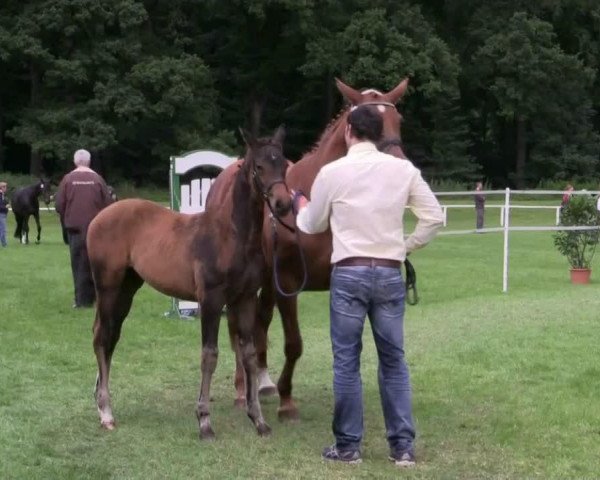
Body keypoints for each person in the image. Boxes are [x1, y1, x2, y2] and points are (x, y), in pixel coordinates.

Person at [292, 105, 444, 467]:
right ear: (379, 135)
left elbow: (311, 225)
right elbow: (434, 216)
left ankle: (348, 446)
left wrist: (300, 204)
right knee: (394, 361)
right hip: (390, 272)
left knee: (346, 362)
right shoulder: (403, 170)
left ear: (348, 133)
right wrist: (404, 246)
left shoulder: (332, 172)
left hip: (348, 272)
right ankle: (402, 447)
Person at [55, 149, 113, 308]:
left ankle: (81, 300)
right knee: (97, 265)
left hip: (75, 230)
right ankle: (98, 299)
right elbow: (108, 204)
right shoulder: (98, 179)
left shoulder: (67, 180)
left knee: (78, 264)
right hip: (97, 231)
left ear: (75, 162)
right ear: (89, 161)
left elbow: (59, 204)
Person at [0, 181, 8, 248]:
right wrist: (5, 207)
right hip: (1, 214)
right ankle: (4, 244)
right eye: (5, 187)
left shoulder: (3, 195)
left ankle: (4, 243)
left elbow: (3, 202)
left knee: (2, 229)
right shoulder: (0, 195)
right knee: (3, 230)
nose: (6, 188)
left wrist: (6, 203)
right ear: (2, 187)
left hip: (3, 214)